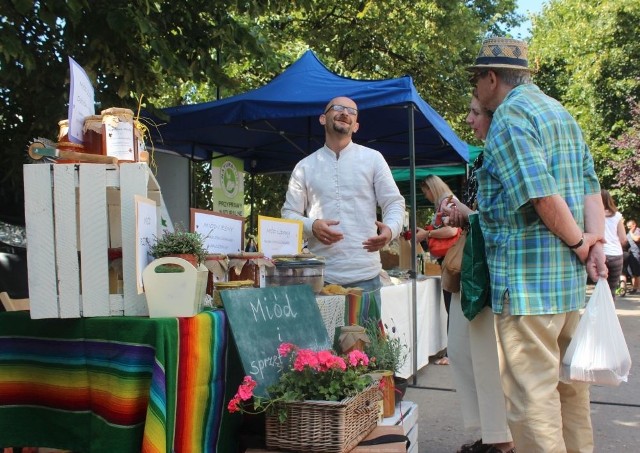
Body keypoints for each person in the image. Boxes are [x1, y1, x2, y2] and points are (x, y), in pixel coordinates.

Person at [467, 37, 606, 452]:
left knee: (533, 402)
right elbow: (590, 187)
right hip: (564, 288)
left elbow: (541, 195)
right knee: (571, 394)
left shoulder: (510, 118)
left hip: (528, 287)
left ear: (492, 78)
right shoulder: (560, 113)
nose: (475, 88)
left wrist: (584, 243)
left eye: (477, 79)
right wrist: (593, 244)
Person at [281, 96, 405, 310]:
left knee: (368, 343)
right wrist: (312, 226)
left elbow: (394, 203)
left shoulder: (373, 159)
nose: (345, 113)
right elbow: (288, 215)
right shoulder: (305, 166)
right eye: (337, 108)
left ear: (356, 126)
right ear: (322, 118)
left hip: (367, 277)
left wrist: (390, 231)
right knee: (321, 344)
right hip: (320, 279)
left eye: (352, 111)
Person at [445, 92, 514, 453]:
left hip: (491, 269)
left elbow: (501, 216)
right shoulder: (480, 159)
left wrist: (465, 213)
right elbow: (480, 213)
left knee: (487, 355)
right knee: (461, 350)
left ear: (492, 115)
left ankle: (502, 441)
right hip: (473, 263)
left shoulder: (501, 155)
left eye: (474, 112)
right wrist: (458, 211)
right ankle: (492, 435)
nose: (469, 120)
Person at [414, 174, 461, 365]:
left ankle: (452, 353)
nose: (426, 196)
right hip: (449, 259)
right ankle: (453, 351)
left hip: (451, 259)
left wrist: (428, 233)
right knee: (453, 306)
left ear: (431, 189)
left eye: (425, 192)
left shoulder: (446, 203)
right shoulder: (449, 202)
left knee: (452, 306)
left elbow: (451, 231)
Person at [601, 189, 627, 299]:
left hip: (600, 254)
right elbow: (623, 239)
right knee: (611, 290)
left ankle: (598, 315)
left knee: (600, 288)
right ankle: (609, 315)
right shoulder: (617, 216)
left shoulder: (593, 215)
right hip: (616, 254)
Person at [624, 219, 640, 294]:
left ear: (634, 225)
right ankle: (634, 288)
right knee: (632, 272)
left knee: (637, 272)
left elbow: (637, 239)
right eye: (628, 227)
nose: (629, 228)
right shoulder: (628, 233)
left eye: (630, 227)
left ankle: (638, 288)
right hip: (630, 254)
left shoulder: (637, 231)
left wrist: (630, 232)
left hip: (637, 254)